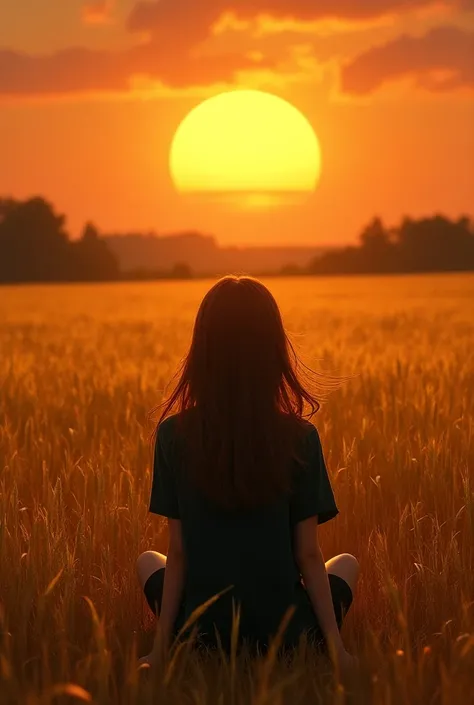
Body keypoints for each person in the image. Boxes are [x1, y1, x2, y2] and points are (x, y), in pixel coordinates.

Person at [137, 276, 359, 671]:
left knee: (147, 561)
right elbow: (307, 553)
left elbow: (179, 552)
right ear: (272, 351)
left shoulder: (173, 435)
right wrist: (336, 649)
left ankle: (179, 634)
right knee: (346, 564)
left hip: (202, 630)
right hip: (285, 631)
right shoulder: (299, 437)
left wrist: (160, 650)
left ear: (201, 351)